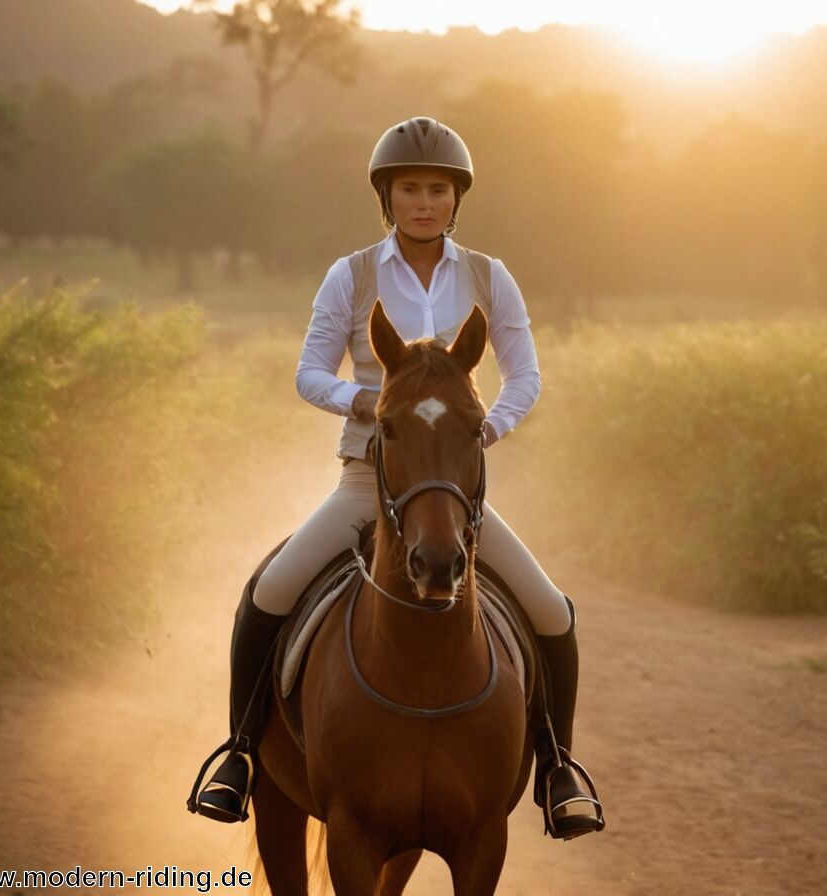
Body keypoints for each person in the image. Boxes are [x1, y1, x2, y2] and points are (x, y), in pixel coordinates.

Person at [189, 116, 604, 840]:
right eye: (409, 188)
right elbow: (309, 371)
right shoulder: (349, 276)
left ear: (455, 198)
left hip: (454, 487)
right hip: (366, 478)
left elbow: (525, 374)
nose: (424, 202)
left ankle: (557, 769)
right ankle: (242, 755)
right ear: (387, 197)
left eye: (438, 189)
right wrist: (365, 401)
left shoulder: (488, 276)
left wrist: (487, 428)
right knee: (269, 593)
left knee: (553, 613)